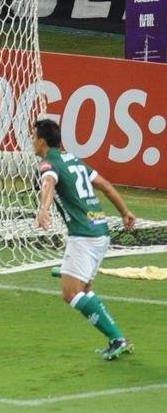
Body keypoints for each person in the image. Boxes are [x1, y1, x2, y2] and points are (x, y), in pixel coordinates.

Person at [32, 118, 136, 361]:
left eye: (33, 137)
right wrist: (125, 212)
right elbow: (106, 186)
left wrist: (43, 210)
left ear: (42, 141)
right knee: (85, 290)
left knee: (71, 293)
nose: (32, 142)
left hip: (84, 237)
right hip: (100, 232)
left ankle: (119, 338)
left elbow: (48, 183)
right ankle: (115, 339)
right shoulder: (75, 160)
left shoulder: (50, 163)